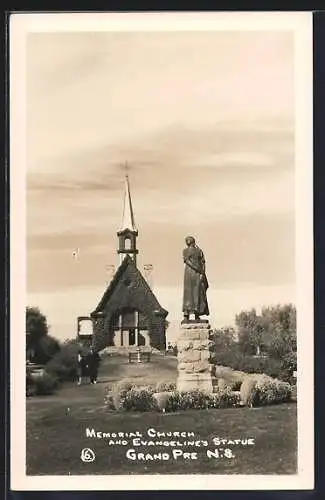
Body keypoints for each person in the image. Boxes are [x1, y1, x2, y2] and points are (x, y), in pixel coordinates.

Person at [182, 236, 209, 321]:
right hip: (190, 273)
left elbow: (203, 262)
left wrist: (202, 273)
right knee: (189, 293)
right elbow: (187, 261)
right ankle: (186, 314)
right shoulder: (186, 251)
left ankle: (197, 313)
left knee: (198, 293)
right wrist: (200, 271)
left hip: (195, 273)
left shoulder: (199, 251)